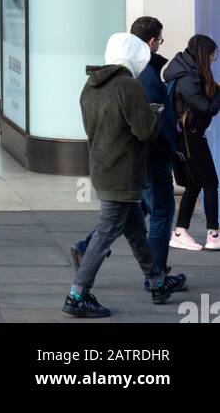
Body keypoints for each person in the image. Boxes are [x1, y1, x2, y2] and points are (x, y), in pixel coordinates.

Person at [63, 32, 182, 318]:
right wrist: (154, 114)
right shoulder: (129, 86)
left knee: (136, 232)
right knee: (104, 236)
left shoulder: (91, 85)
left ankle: (157, 282)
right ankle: (77, 295)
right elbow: (145, 131)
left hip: (102, 167)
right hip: (124, 172)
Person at [165, 33, 220, 251]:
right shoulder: (187, 77)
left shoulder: (184, 70)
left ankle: (179, 231)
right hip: (190, 137)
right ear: (203, 54)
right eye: (213, 55)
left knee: (194, 184)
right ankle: (213, 233)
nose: (214, 59)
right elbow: (205, 107)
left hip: (187, 136)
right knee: (211, 183)